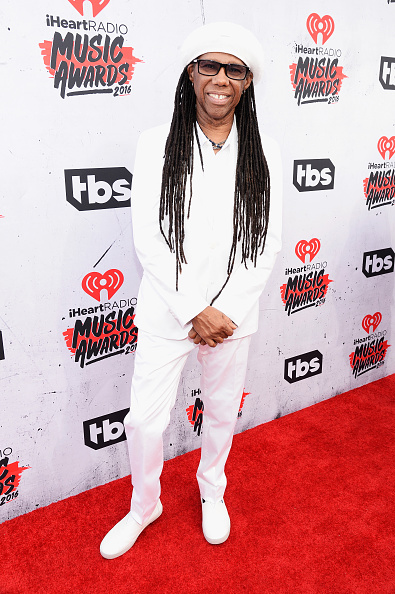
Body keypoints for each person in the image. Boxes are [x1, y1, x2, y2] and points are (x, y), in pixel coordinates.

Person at [100, 21, 282, 559]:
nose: (221, 79)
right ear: (191, 75)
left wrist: (222, 309)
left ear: (246, 82)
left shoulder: (264, 148)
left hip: (233, 316)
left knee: (223, 411)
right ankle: (144, 504)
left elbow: (266, 242)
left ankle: (212, 491)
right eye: (210, 66)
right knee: (143, 420)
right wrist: (192, 309)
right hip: (167, 311)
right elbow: (148, 237)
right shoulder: (156, 143)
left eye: (234, 70)